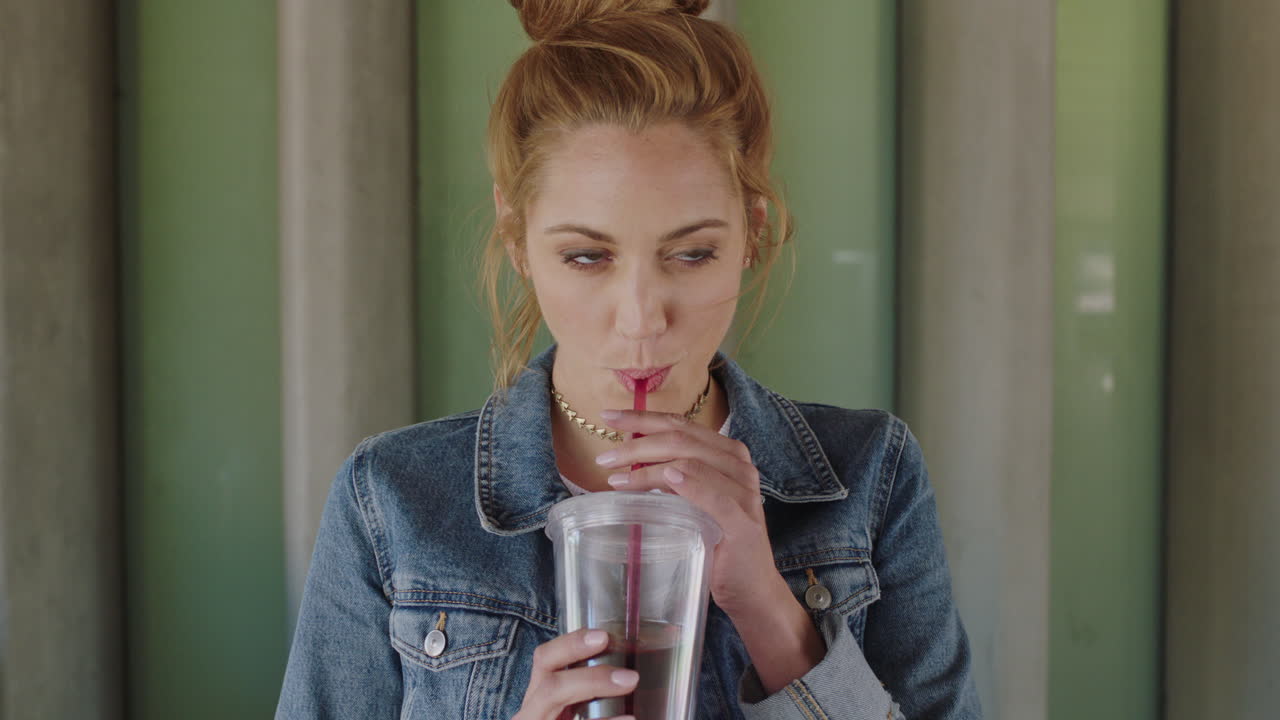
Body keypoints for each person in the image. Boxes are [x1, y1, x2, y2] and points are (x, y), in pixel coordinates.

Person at [276, 1, 981, 718]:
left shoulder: (871, 479)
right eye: (587, 256)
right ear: (517, 240)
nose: (642, 319)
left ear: (751, 234)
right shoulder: (391, 503)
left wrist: (771, 610)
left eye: (692, 253)